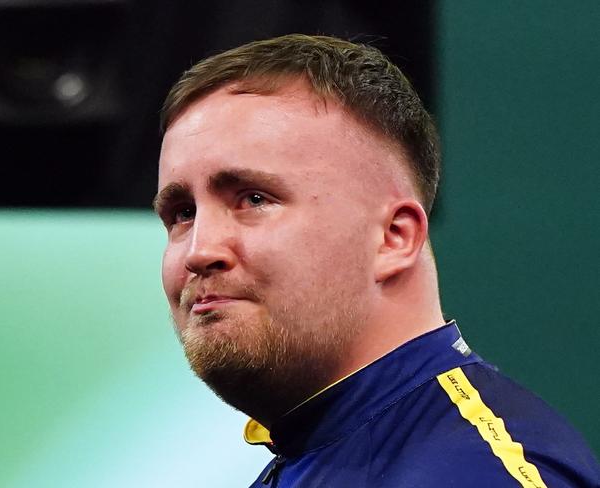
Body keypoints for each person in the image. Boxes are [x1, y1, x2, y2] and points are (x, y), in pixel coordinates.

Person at [154, 34, 599, 487]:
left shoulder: (477, 472)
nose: (200, 250)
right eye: (183, 213)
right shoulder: (310, 456)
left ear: (394, 237)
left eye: (254, 199)